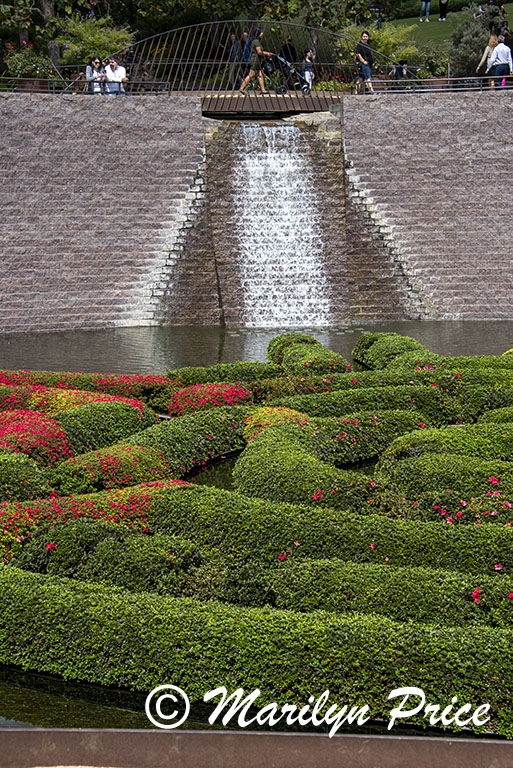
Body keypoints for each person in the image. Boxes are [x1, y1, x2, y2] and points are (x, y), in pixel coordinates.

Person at [239, 28, 273, 95]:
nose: (262, 34)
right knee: (251, 74)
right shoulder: (256, 41)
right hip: (255, 60)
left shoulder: (255, 41)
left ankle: (263, 90)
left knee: (260, 75)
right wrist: (267, 53)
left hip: (257, 60)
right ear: (258, 33)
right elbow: (259, 52)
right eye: (261, 32)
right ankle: (241, 88)